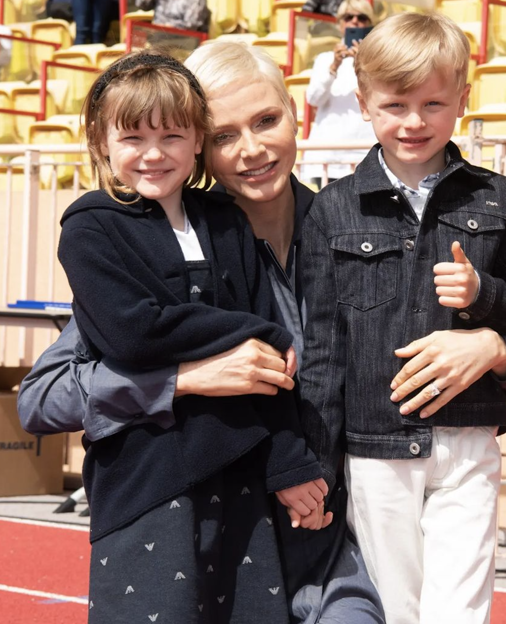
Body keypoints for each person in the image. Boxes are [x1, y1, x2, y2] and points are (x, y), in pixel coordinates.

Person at [19, 40, 506, 624]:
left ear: (296, 113)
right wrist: (186, 379)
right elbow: (44, 397)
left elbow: (497, 326)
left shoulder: (358, 221)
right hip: (222, 529)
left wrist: (496, 348)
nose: (251, 150)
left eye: (266, 120)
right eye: (224, 135)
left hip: (343, 536)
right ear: (199, 143)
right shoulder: (157, 251)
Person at [296, 11, 506, 624]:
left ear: (463, 101)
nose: (414, 121)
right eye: (394, 104)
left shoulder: (500, 197)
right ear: (363, 103)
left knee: (459, 610)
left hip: (469, 441)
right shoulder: (333, 210)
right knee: (395, 606)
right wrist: (316, 460)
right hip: (373, 448)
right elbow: (323, 350)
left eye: (433, 103)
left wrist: (484, 295)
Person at [52, 49, 333, 623]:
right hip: (146, 487)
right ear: (100, 140)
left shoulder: (225, 221)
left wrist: (288, 464)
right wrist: (250, 333)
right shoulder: (90, 228)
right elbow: (135, 333)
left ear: (194, 141)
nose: (154, 154)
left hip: (243, 481)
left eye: (173, 136)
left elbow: (270, 366)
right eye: (133, 137)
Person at [302, 0, 377, 188]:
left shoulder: (378, 61)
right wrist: (334, 66)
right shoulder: (324, 59)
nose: (355, 21)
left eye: (361, 17)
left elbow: (383, 98)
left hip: (364, 155)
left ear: (369, 24)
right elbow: (313, 99)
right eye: (348, 17)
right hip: (326, 156)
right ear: (340, 24)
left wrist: (362, 65)